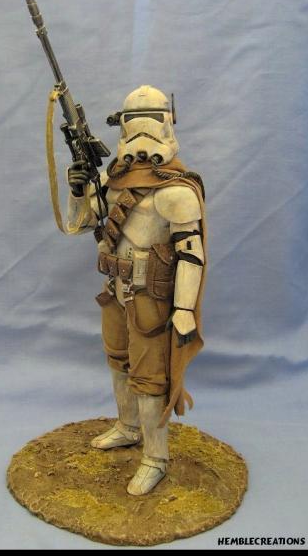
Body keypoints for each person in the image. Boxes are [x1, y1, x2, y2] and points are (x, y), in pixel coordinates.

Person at [66, 85, 207, 495]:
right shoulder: (112, 180)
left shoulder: (177, 190)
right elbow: (81, 222)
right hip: (114, 289)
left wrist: (184, 310)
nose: (143, 131)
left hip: (151, 296)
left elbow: (191, 254)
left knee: (149, 379)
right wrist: (78, 189)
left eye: (152, 121)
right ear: (122, 126)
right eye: (134, 121)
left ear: (167, 124)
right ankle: (128, 427)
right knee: (117, 360)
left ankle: (155, 458)